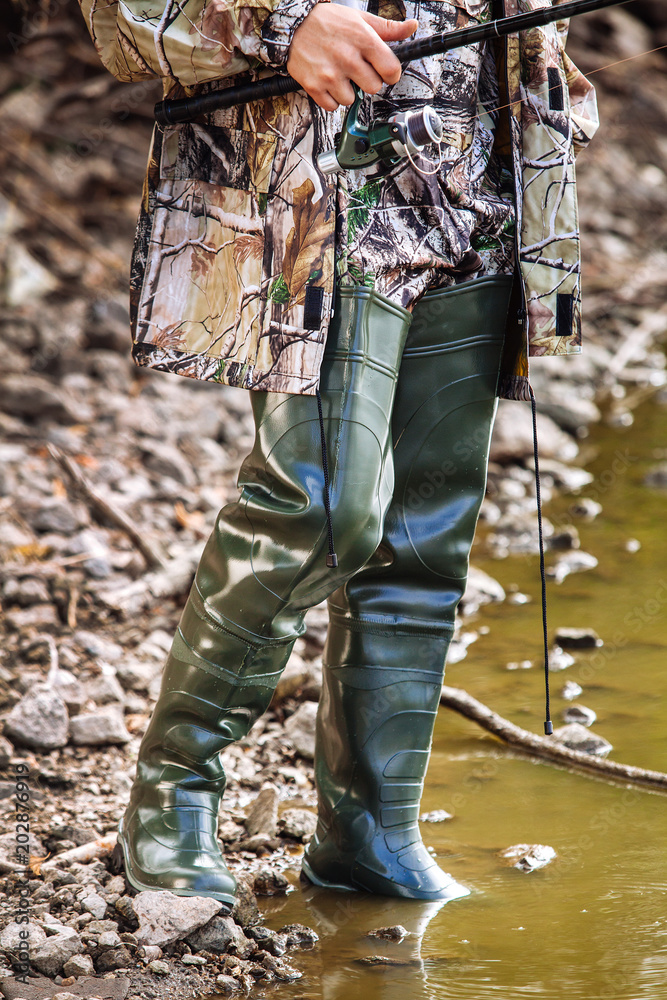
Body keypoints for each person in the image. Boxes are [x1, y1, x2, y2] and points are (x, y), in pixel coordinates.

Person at [76, 0, 599, 908]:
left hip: (481, 196)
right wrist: (286, 25)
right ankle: (170, 799)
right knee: (319, 507)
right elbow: (119, 16)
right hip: (322, 209)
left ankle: (370, 832)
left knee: (425, 538)